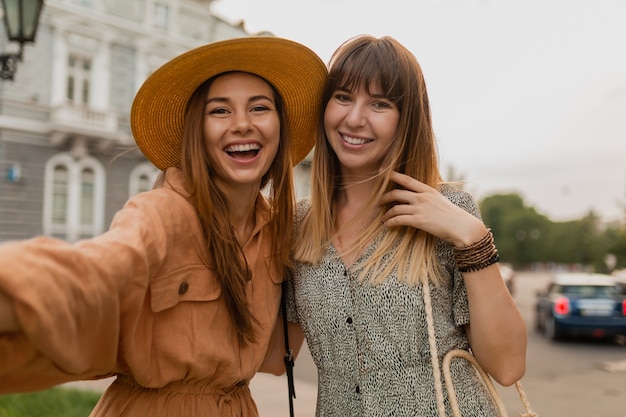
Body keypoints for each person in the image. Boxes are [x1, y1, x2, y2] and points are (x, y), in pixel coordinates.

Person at [0, 36, 326, 417]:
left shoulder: (279, 229)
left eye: (259, 107)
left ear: (279, 127)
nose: (241, 124)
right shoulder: (162, 212)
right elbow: (96, 271)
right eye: (219, 111)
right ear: (197, 132)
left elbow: (274, 357)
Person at [288, 35, 528, 416]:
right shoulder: (297, 224)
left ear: (406, 118)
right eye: (344, 97)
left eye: (380, 104)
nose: (354, 119)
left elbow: (507, 365)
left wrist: (473, 239)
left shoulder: (451, 210)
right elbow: (268, 355)